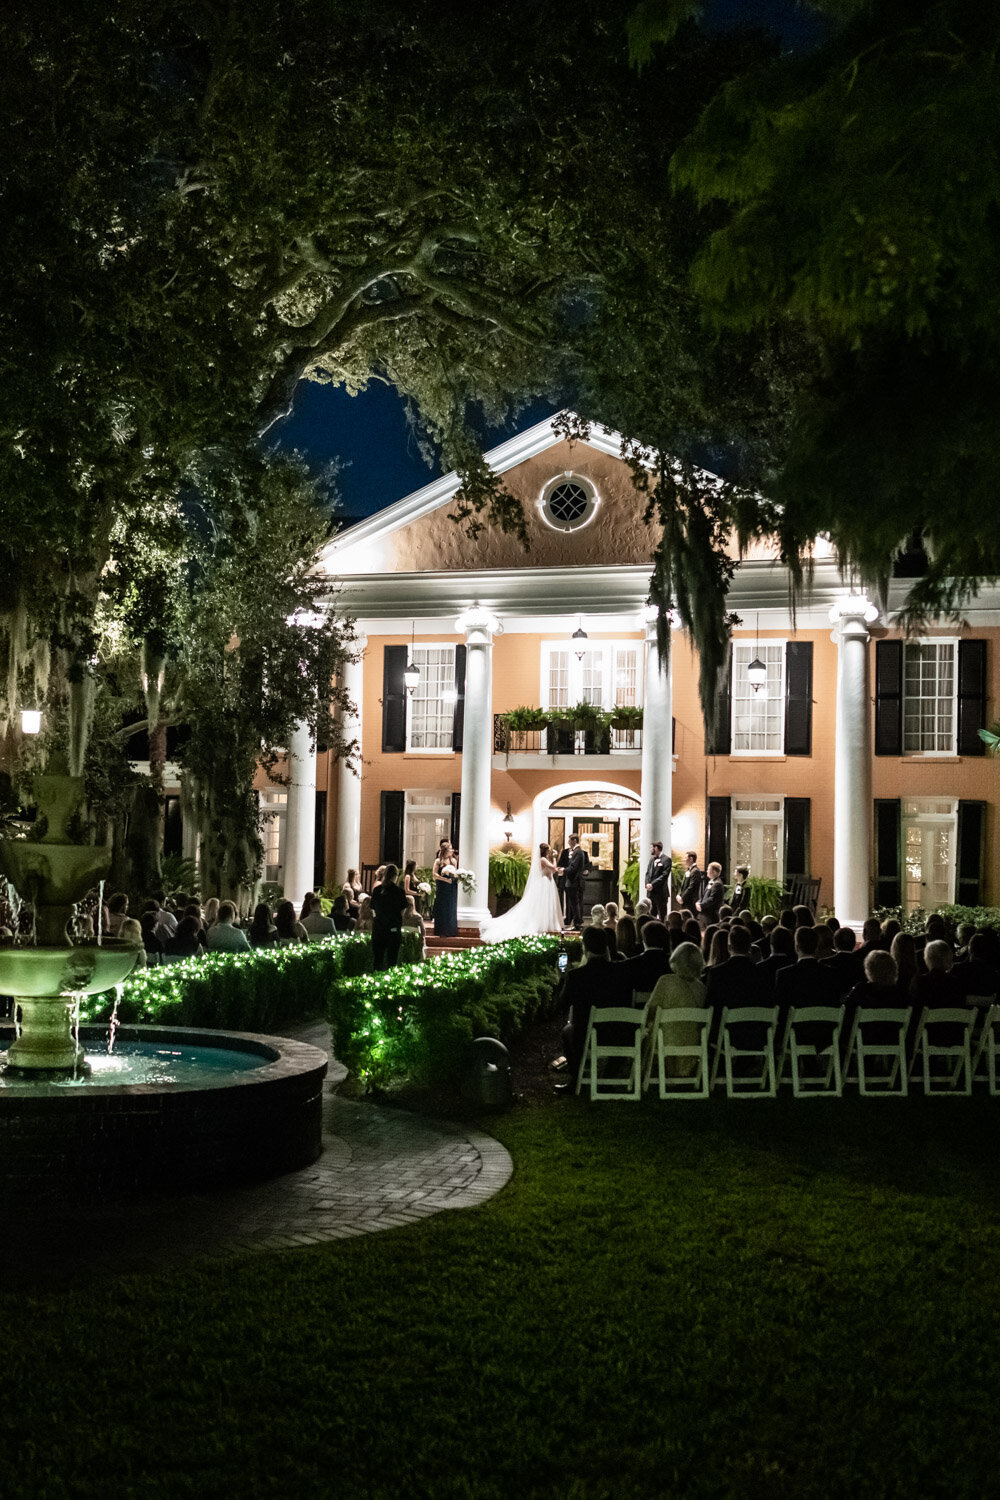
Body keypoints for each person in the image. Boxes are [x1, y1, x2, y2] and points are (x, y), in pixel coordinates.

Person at [555, 926, 619, 1091]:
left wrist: (561, 979)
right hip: (616, 1032)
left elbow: (561, 1006)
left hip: (584, 1035)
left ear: (585, 947)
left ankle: (576, 1078)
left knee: (567, 1031)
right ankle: (610, 1075)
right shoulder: (620, 972)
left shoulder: (576, 976)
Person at [646, 942, 707, 1077]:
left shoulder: (665, 982)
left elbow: (650, 1012)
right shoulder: (702, 989)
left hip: (665, 1040)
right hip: (692, 1041)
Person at [485, 842, 564, 943]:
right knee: (542, 903)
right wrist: (554, 858)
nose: (549, 852)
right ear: (545, 851)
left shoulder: (545, 859)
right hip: (544, 883)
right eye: (548, 850)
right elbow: (553, 869)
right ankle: (540, 923)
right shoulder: (543, 859)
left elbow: (552, 870)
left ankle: (548, 922)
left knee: (547, 904)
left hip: (548, 883)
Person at [371, 864, 408, 970]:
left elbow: (373, 907)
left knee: (378, 960)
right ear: (395, 876)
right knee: (392, 961)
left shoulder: (377, 890)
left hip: (378, 927)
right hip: (393, 927)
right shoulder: (399, 892)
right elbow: (403, 910)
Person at [556, 834, 587, 931]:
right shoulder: (576, 852)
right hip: (572, 882)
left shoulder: (578, 852)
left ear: (574, 840)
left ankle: (577, 924)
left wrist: (563, 870)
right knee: (574, 903)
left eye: (569, 840)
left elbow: (573, 867)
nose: (568, 842)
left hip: (574, 882)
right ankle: (576, 923)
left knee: (575, 903)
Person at [432, 841, 459, 938]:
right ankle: (441, 930)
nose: (452, 851)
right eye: (449, 849)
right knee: (442, 906)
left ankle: (450, 930)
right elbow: (434, 874)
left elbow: (456, 873)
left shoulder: (453, 861)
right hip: (442, 886)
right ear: (445, 850)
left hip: (452, 887)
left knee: (451, 907)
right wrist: (445, 879)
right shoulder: (438, 861)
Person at [644, 841, 671, 921]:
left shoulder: (666, 860)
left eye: (651, 848)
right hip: (651, 893)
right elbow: (647, 873)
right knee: (651, 915)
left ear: (656, 848)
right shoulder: (651, 859)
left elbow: (664, 875)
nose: (650, 849)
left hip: (661, 893)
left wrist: (652, 884)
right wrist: (647, 884)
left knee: (662, 916)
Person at [697, 862, 725, 927]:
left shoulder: (717, 884)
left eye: (708, 870)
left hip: (712, 914)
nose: (706, 871)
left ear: (714, 872)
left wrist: (701, 905)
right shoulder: (711, 881)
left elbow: (712, 899)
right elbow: (704, 895)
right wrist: (699, 902)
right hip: (706, 913)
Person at [677, 851, 704, 917]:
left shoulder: (695, 871)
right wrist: (679, 894)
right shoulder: (689, 870)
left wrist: (682, 898)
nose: (684, 859)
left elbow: (691, 887)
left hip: (690, 902)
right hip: (686, 901)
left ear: (691, 859)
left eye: (685, 857)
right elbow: (683, 885)